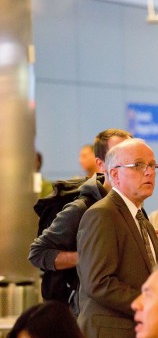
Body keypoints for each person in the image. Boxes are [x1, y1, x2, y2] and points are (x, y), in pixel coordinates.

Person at [76, 138, 158, 338]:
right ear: (114, 174)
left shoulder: (141, 219)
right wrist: (151, 305)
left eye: (152, 165)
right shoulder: (102, 214)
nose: (148, 172)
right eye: (138, 165)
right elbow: (99, 282)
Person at [28, 129, 133, 307]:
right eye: (120, 154)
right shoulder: (82, 206)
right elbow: (38, 253)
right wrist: (84, 257)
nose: (130, 161)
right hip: (86, 314)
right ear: (101, 163)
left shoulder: (132, 206)